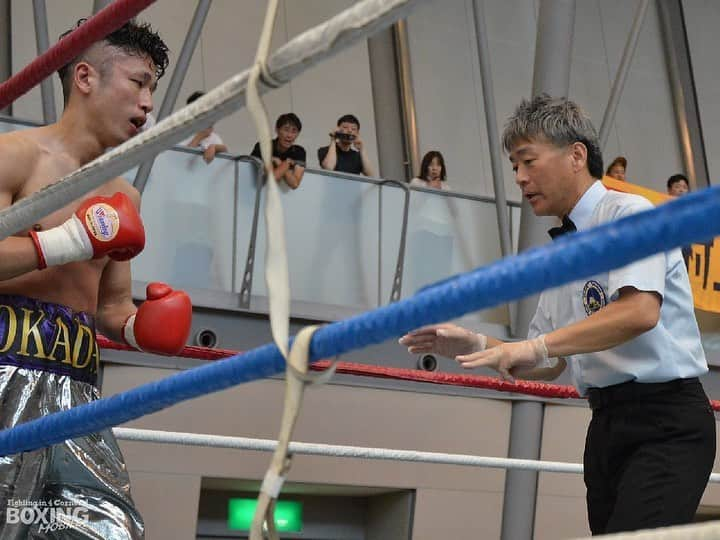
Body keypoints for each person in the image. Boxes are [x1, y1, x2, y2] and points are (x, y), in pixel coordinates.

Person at [399, 95, 714, 535]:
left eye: (528, 161)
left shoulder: (628, 213)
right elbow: (546, 361)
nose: (520, 178)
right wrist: (475, 344)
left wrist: (535, 345)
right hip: (604, 424)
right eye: (513, 166)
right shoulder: (562, 251)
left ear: (576, 155)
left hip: (664, 421)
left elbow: (639, 312)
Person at [0, 19, 193, 538]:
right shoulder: (15, 156)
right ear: (85, 77)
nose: (149, 102)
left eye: (152, 86)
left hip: (78, 387)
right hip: (3, 368)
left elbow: (110, 306)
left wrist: (140, 328)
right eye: (138, 81)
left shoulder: (124, 197)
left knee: (107, 529)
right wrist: (70, 241)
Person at [251, 112, 306, 190]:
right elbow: (272, 178)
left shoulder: (299, 151)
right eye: (286, 130)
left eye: (294, 131)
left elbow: (295, 184)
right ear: (277, 130)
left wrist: (281, 163)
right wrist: (286, 164)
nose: (289, 135)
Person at [183, 91, 228, 163]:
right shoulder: (181, 133)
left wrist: (214, 147)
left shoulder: (212, 135)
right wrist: (199, 137)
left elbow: (225, 151)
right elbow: (181, 157)